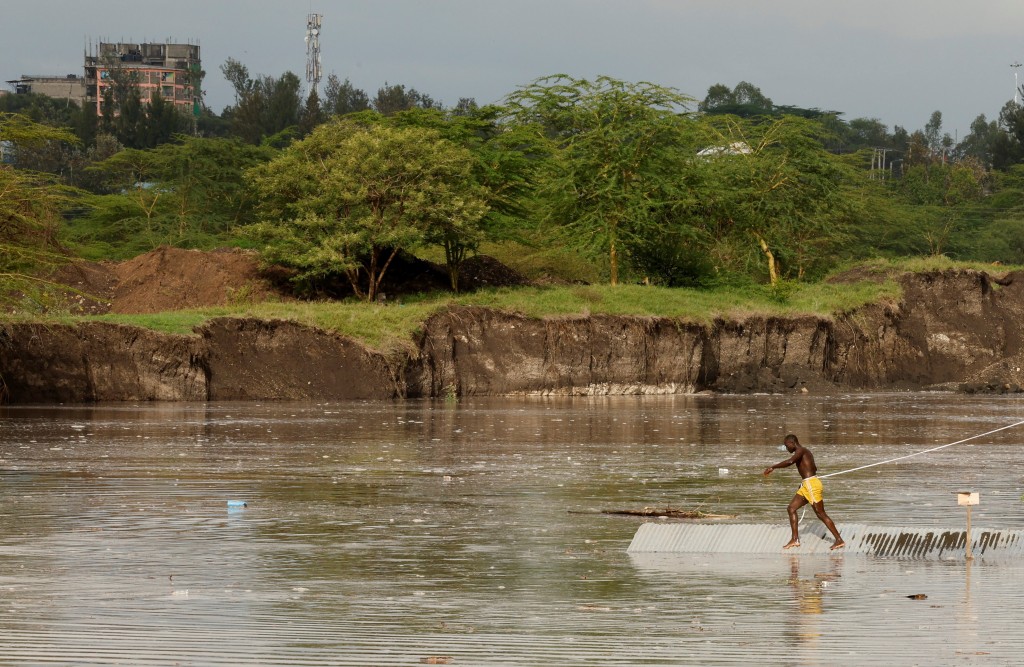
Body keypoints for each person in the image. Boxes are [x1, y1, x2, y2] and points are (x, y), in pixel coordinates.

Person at [763, 434, 845, 551]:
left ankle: (839, 540)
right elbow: (814, 468)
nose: (787, 448)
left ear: (792, 443)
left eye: (787, 446)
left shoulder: (801, 450)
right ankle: (795, 539)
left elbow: (790, 461)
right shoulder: (804, 452)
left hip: (811, 485)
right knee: (791, 508)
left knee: (820, 513)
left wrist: (773, 467)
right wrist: (804, 481)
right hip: (807, 484)